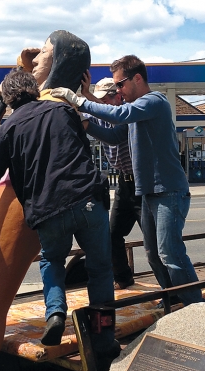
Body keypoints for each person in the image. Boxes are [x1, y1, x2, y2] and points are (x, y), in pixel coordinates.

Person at [0, 66, 116, 356]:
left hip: (48, 209)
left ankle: (55, 314)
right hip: (87, 198)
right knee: (100, 268)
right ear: (34, 89)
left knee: (52, 261)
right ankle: (103, 337)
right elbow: (82, 152)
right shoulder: (62, 112)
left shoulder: (8, 127)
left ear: (9, 98)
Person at [51, 55, 203, 306]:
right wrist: (84, 122)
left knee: (170, 253)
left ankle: (196, 308)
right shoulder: (136, 114)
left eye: (120, 84)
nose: (118, 90)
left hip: (168, 191)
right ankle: (172, 300)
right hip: (147, 192)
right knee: (154, 254)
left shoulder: (153, 101)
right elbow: (113, 136)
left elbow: (120, 114)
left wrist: (79, 100)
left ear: (138, 78)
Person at [83, 77, 142, 290]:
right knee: (112, 234)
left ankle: (173, 286)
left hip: (142, 184)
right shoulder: (100, 114)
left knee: (155, 241)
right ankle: (123, 278)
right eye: (98, 101)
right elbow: (82, 115)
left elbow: (114, 136)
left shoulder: (129, 112)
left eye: (105, 99)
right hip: (124, 185)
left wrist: (87, 119)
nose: (102, 105)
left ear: (117, 95)